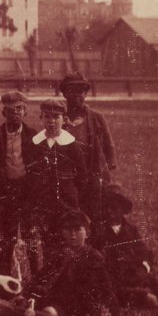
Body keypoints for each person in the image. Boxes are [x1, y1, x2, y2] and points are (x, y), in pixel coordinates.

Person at [27, 209, 125, 316]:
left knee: (49, 313)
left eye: (78, 230)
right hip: (57, 300)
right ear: (62, 232)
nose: (73, 234)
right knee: (30, 303)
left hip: (81, 307)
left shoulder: (94, 257)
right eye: (68, 230)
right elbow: (40, 277)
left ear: (87, 233)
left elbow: (106, 289)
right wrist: (24, 294)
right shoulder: (59, 254)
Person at [23, 98, 88, 269]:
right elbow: (30, 173)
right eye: (47, 117)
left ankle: (71, 273)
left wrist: (72, 193)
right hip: (44, 202)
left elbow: (82, 175)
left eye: (56, 117)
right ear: (41, 118)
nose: (51, 121)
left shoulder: (71, 144)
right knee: (48, 240)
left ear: (64, 119)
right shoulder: (35, 143)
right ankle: (50, 275)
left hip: (67, 202)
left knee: (69, 239)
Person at [97, 184, 158, 308]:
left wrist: (144, 268)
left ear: (123, 209)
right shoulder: (99, 232)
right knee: (150, 299)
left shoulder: (131, 230)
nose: (109, 211)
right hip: (117, 285)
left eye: (114, 207)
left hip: (137, 277)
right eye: (106, 207)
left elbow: (145, 253)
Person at [58, 72, 116, 237]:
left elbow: (108, 145)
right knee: (72, 215)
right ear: (64, 94)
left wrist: (108, 169)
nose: (77, 95)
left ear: (86, 94)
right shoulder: (59, 118)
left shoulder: (96, 118)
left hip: (93, 175)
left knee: (96, 216)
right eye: (72, 91)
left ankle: (95, 252)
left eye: (81, 91)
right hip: (69, 177)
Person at [0, 91, 33, 275]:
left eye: (19, 109)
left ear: (25, 112)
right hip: (6, 190)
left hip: (27, 191)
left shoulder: (33, 136)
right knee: (7, 236)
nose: (15, 113)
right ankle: (4, 275)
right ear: (3, 113)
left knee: (31, 236)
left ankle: (37, 276)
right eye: (10, 110)